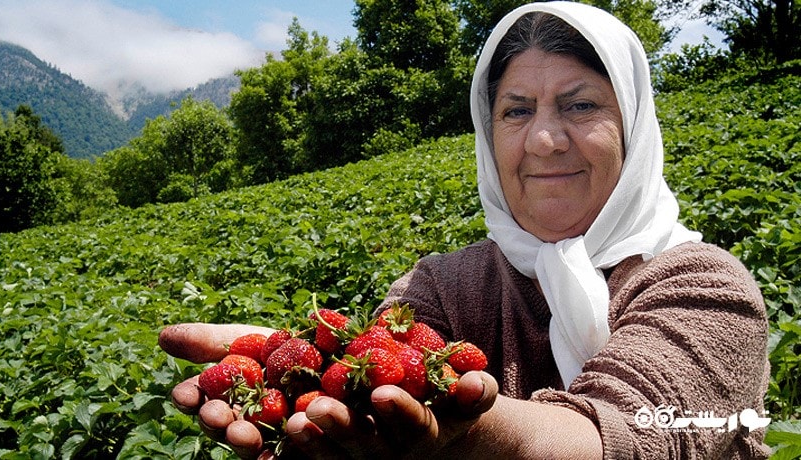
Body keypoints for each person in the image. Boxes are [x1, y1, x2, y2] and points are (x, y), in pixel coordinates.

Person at [159, 2, 771, 458]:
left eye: (581, 105)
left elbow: (633, 435)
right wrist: (298, 365)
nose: (544, 139)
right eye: (516, 110)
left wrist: (472, 423)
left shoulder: (704, 287)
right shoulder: (447, 285)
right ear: (487, 134)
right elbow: (373, 367)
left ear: (633, 128)